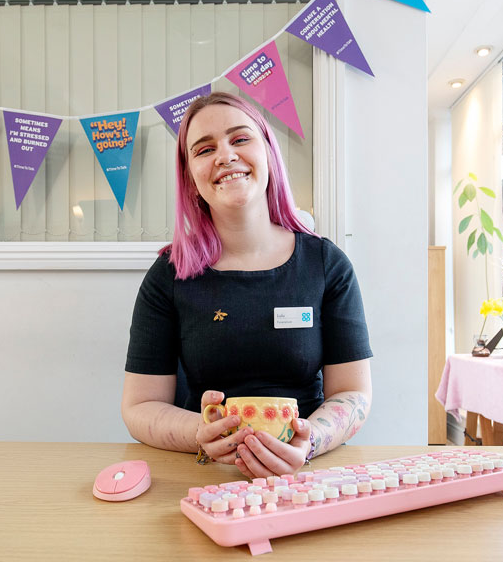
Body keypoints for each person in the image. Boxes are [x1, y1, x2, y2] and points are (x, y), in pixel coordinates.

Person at [121, 92, 373, 478]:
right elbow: (139, 407)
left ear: (268, 154)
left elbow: (353, 393)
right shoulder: (168, 275)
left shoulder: (326, 264)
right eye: (204, 149)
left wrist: (310, 441)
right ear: (190, 178)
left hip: (308, 474)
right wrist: (199, 433)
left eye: (240, 139)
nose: (225, 155)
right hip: (205, 475)